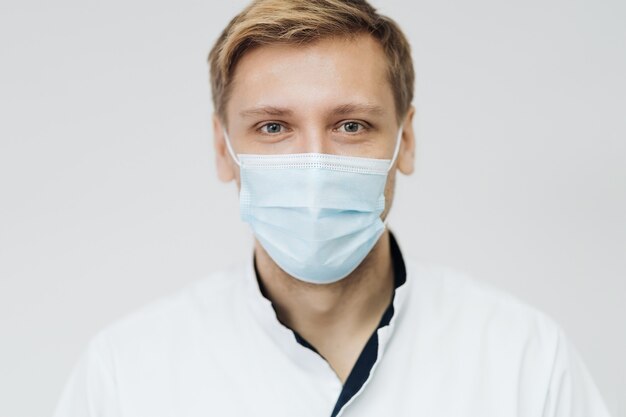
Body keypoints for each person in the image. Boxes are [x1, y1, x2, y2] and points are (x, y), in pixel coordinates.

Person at [54, 1, 612, 416]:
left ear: (406, 140)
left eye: (351, 125)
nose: (314, 165)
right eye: (273, 127)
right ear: (224, 149)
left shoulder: (526, 360)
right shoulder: (127, 374)